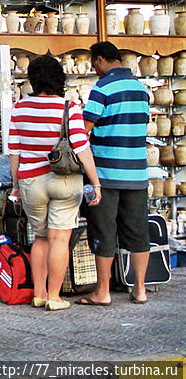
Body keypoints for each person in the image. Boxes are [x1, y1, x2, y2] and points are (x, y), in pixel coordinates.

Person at [8, 55, 101, 311]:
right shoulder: (69, 107)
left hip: (31, 182)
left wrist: (16, 183)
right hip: (64, 180)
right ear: (59, 79)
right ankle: (54, 296)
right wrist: (95, 182)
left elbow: (14, 150)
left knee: (40, 237)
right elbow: (82, 148)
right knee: (60, 239)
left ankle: (38, 294)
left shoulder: (20, 108)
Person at [77, 42, 151, 306]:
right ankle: (140, 289)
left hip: (105, 175)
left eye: (93, 63)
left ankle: (103, 291)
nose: (94, 69)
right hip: (137, 174)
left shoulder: (102, 88)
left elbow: (83, 130)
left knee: (103, 232)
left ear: (100, 60)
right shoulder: (141, 90)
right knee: (138, 232)